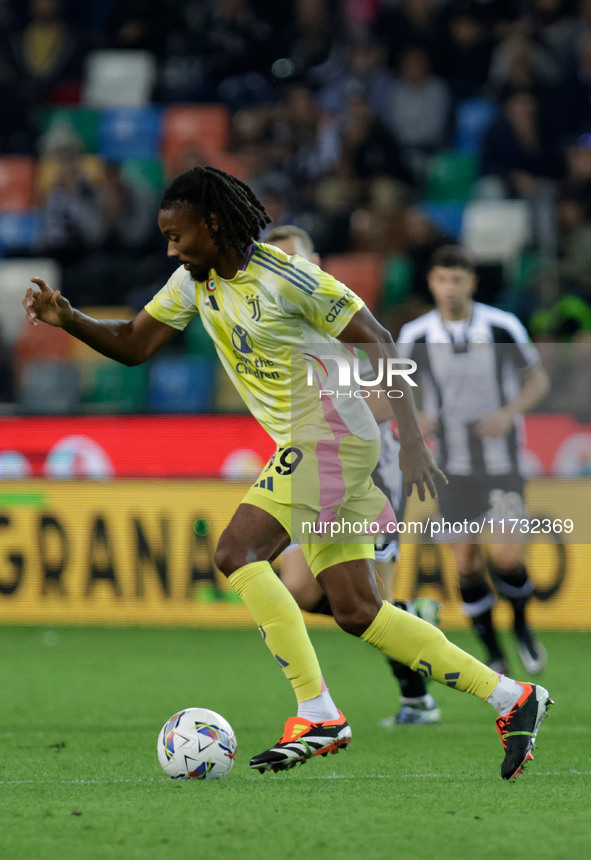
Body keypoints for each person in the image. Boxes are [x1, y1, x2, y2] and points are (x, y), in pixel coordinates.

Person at [23, 165, 552, 780]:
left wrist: (408, 441)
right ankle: (511, 698)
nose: (170, 247)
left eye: (178, 235)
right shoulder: (193, 280)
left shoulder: (288, 277)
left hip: (331, 439)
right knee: (359, 611)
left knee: (235, 552)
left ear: (213, 223)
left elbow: (379, 339)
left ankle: (317, 711)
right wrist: (70, 320)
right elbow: (135, 343)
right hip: (317, 446)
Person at [266, 223, 441, 726]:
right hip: (316, 476)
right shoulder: (279, 330)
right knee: (299, 588)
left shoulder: (342, 317)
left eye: (293, 260)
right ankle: (414, 619)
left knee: (371, 606)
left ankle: (417, 698)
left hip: (372, 480)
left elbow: (395, 392)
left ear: (315, 261)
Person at [397, 245, 551, 676]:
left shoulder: (502, 326)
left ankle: (521, 626)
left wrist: (507, 413)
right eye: (442, 280)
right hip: (449, 466)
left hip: (502, 462)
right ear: (431, 283)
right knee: (464, 561)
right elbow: (396, 388)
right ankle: (494, 652)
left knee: (504, 555)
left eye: (457, 280)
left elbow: (537, 379)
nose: (449, 289)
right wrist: (418, 417)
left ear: (472, 282)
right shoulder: (417, 333)